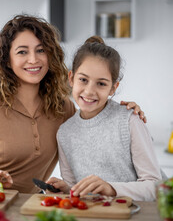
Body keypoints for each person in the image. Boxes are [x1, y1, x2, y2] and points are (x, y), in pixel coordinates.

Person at [0, 15, 146, 193]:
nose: (33, 59)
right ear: (7, 60)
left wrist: (124, 112)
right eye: (22, 52)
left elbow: (93, 121)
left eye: (41, 50)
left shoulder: (63, 108)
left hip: (22, 206)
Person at [46, 36, 164, 201]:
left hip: (137, 217)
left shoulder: (129, 120)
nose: (89, 91)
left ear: (112, 88)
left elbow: (155, 187)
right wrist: (66, 189)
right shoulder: (64, 133)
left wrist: (111, 189)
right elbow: (75, 189)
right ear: (71, 78)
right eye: (83, 80)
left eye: (101, 84)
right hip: (97, 217)